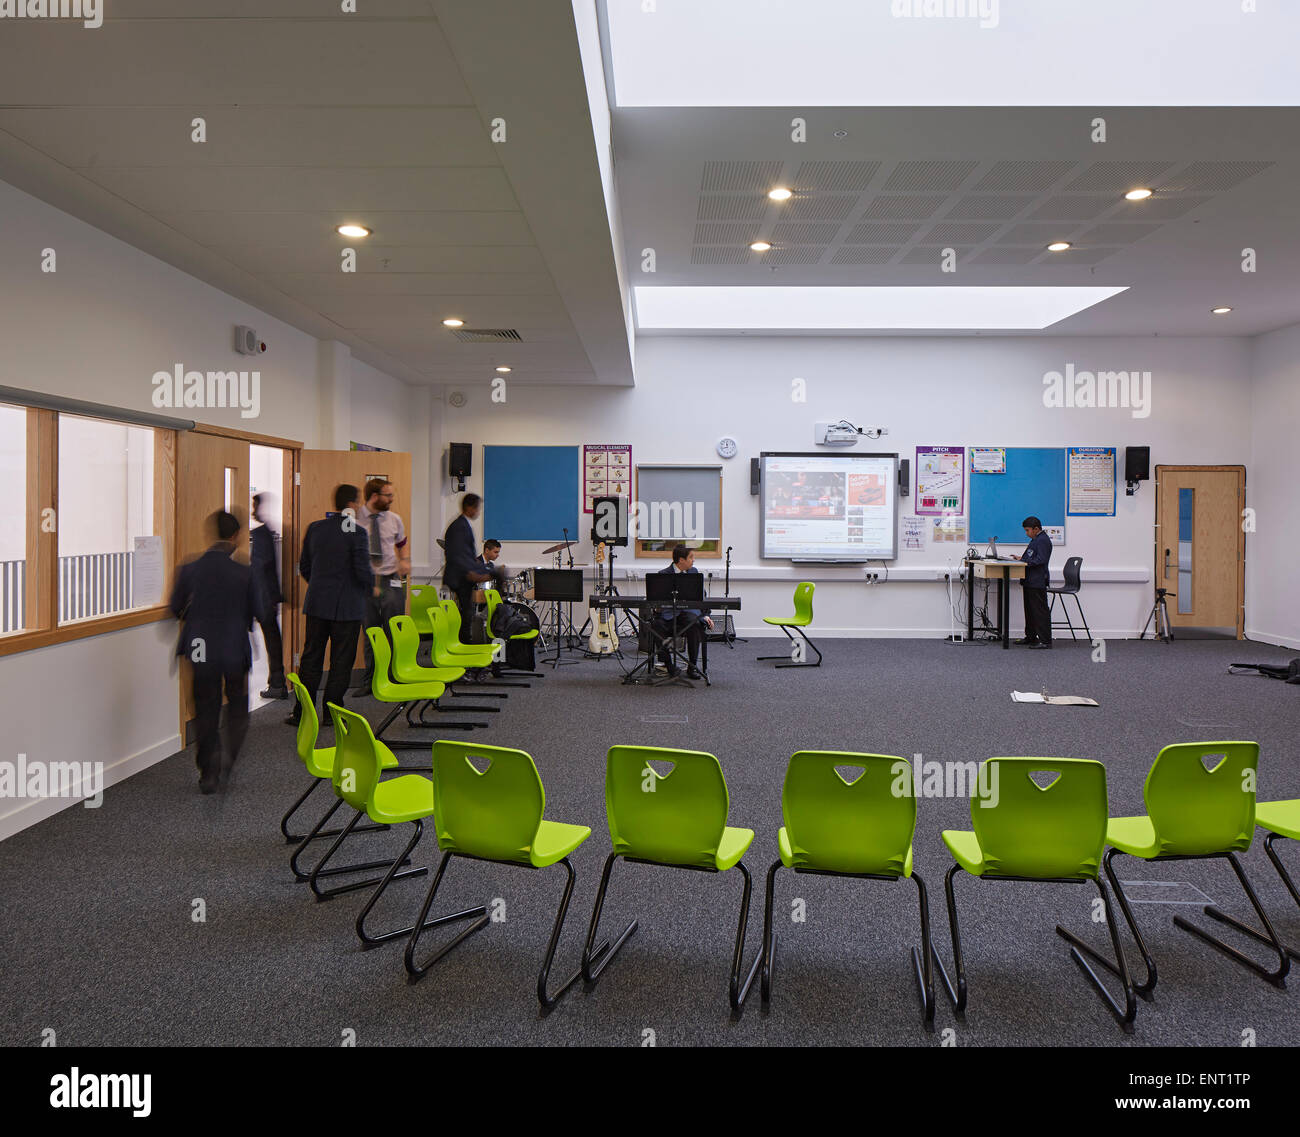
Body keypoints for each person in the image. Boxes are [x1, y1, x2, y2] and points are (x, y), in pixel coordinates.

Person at [170, 510, 260, 794]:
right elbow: (257, 610)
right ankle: (228, 760)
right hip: (234, 646)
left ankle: (208, 770)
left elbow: (175, 608)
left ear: (211, 534)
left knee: (205, 707)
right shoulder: (244, 571)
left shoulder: (189, 568)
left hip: (200, 647)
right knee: (237, 707)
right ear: (235, 536)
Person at [289, 484, 373, 726]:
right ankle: (332, 713)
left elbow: (304, 566)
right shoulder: (357, 532)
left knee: (310, 658)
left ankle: (302, 712)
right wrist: (369, 590)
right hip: (347, 608)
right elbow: (362, 570)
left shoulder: (315, 529)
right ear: (354, 504)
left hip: (317, 605)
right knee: (341, 661)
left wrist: (320, 586)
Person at [354, 478, 410, 695]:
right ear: (375, 496)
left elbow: (401, 544)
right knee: (371, 631)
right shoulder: (354, 519)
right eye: (388, 495)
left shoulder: (395, 519)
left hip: (391, 579)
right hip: (366, 581)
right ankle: (370, 680)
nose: (392, 499)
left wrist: (404, 560)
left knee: (393, 629)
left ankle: (396, 674)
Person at [651, 544, 714, 679]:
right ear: (681, 560)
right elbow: (656, 602)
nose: (694, 560)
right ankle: (669, 666)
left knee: (695, 624)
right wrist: (658, 606)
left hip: (688, 616)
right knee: (655, 626)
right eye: (691, 557)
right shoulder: (663, 575)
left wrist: (705, 615)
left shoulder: (694, 572)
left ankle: (692, 667)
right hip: (668, 616)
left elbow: (702, 597)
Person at [250, 492, 287, 699]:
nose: (253, 511)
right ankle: (276, 682)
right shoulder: (266, 532)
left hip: (264, 596)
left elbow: (262, 567)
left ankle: (277, 682)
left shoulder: (262, 534)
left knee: (272, 640)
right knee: (272, 639)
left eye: (255, 506)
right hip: (267, 595)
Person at [443, 492, 493, 643]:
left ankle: (466, 643)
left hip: (462, 575)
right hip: (460, 577)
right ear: (469, 508)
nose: (478, 512)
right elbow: (458, 556)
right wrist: (473, 572)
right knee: (466, 614)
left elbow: (464, 554)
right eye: (477, 508)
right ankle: (465, 646)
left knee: (467, 613)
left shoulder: (462, 524)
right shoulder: (459, 526)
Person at [1015, 515, 1053, 649]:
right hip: (1030, 580)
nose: (1026, 533)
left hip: (1037, 580)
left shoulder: (1042, 540)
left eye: (1027, 530)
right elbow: (1033, 556)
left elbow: (1041, 559)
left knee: (1039, 611)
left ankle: (1045, 641)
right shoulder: (1036, 539)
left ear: (1036, 529)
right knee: (1030, 611)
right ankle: (1031, 637)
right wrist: (1021, 558)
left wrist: (1025, 562)